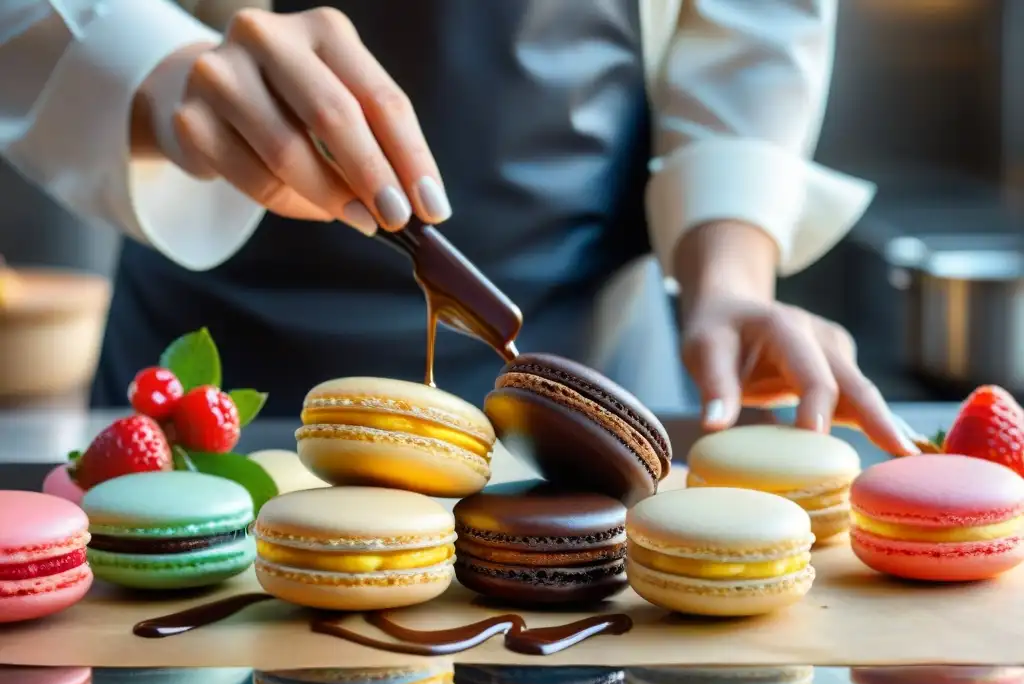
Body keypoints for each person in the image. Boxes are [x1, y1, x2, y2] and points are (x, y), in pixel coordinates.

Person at [0, 0, 917, 455]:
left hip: (593, 363)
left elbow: (750, 27)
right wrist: (160, 72)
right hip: (212, 370)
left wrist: (731, 277)